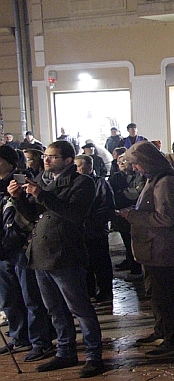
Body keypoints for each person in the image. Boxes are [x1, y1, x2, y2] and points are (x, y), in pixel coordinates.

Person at [8, 140, 104, 377]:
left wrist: (42, 195)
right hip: (40, 253)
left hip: (65, 253)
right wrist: (20, 198)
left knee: (80, 308)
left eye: (52, 157)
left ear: (68, 161)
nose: (46, 160)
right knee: (54, 309)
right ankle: (64, 351)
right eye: (45, 156)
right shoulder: (42, 179)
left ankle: (93, 355)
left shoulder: (82, 182)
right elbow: (33, 216)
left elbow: (74, 214)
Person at [120, 141, 174, 358]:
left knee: (165, 296)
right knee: (155, 295)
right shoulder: (154, 180)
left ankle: (172, 339)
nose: (135, 168)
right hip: (152, 249)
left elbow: (166, 218)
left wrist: (133, 216)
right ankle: (161, 331)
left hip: (162, 249)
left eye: (137, 164)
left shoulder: (166, 183)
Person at [0, 146, 54, 363]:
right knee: (8, 297)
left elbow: (29, 213)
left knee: (31, 296)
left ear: (9, 162)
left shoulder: (22, 180)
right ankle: (19, 335)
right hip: (2, 248)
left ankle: (40, 340)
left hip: (21, 246)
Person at [74, 155, 115, 304]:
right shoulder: (74, 184)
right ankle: (88, 290)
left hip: (96, 231)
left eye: (79, 166)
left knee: (101, 263)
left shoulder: (100, 183)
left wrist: (91, 223)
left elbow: (107, 207)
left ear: (89, 167)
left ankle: (105, 291)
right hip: (79, 232)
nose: (76, 169)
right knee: (85, 264)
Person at [108, 152, 144, 279]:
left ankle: (136, 265)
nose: (121, 164)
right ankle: (129, 260)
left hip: (134, 212)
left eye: (124, 161)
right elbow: (113, 194)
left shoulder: (140, 175)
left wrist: (122, 192)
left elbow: (137, 194)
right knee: (125, 239)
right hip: (120, 212)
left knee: (133, 240)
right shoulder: (116, 177)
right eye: (118, 162)